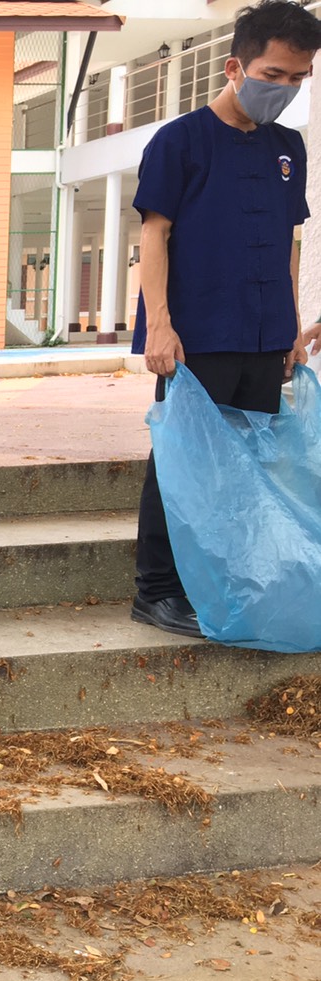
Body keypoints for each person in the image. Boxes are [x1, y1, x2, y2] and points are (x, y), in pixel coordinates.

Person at [129, 0, 321, 638]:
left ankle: (234, 577)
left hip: (265, 336)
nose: (285, 90)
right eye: (274, 74)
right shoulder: (178, 141)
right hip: (197, 335)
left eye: (299, 78)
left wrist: (291, 328)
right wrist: (160, 324)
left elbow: (289, 240)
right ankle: (156, 591)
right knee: (182, 461)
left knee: (249, 462)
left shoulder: (287, 147)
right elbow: (154, 237)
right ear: (236, 66)